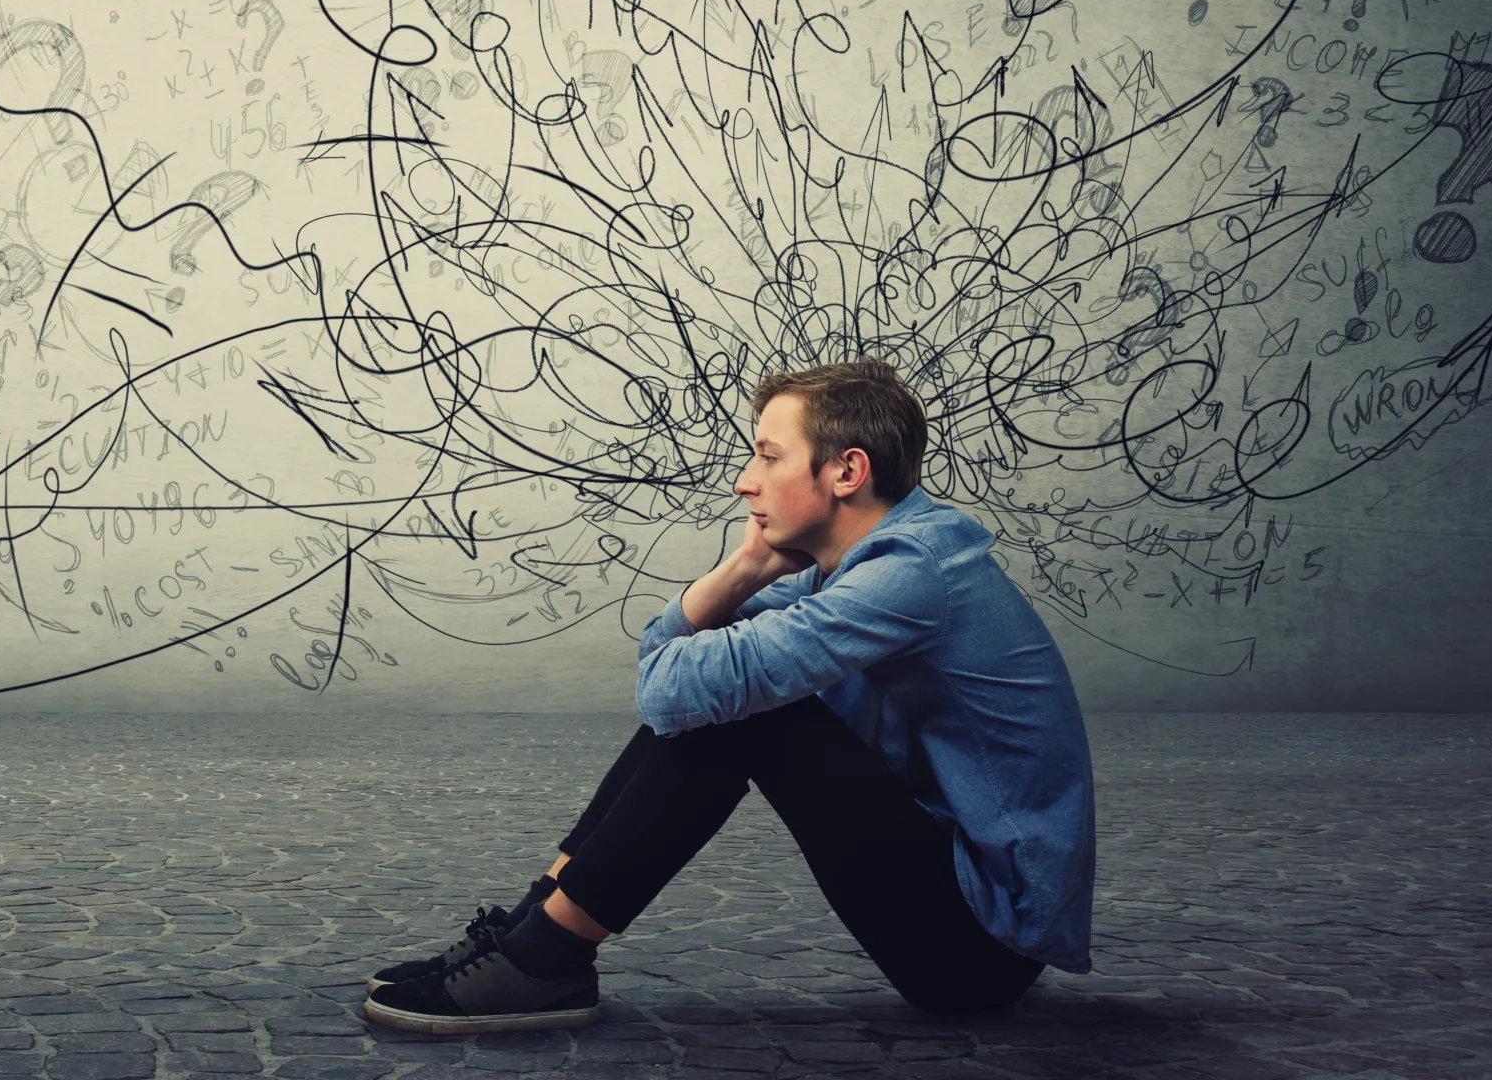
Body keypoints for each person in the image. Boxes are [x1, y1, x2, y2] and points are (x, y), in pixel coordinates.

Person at [362, 359, 1096, 1035]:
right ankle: (530, 938)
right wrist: (745, 568)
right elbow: (666, 666)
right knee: (726, 698)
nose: (745, 481)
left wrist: (735, 593)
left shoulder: (911, 574)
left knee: (748, 712)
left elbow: (670, 687)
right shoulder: (861, 568)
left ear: (847, 471)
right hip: (954, 907)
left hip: (980, 944)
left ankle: (543, 957)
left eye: (768, 456)